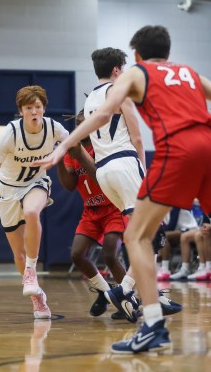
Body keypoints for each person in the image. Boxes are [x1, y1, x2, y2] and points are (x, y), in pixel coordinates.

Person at [37, 25, 211, 352]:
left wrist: (64, 146)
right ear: (167, 52)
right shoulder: (190, 74)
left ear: (138, 55)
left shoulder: (136, 74)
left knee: (137, 236)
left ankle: (153, 324)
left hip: (179, 151)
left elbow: (102, 116)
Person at [83, 47, 180, 321]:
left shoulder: (90, 98)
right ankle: (126, 290)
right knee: (151, 234)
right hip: (124, 164)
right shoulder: (120, 92)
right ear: (116, 70)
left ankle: (146, 294)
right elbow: (137, 137)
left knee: (144, 233)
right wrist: (143, 169)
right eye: (123, 68)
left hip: (103, 171)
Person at [0, 85, 68, 319]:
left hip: (36, 184)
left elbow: (73, 143)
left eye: (38, 107)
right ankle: (38, 299)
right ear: (21, 111)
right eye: (29, 108)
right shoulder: (10, 134)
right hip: (7, 190)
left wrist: (58, 154)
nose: (34, 111)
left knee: (32, 213)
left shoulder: (54, 128)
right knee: (18, 253)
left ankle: (31, 271)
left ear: (44, 108)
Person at [56, 111, 127, 317]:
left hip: (113, 206)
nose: (81, 128)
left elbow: (100, 177)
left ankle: (127, 298)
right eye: (78, 124)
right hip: (91, 210)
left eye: (85, 124)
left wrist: (80, 155)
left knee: (109, 254)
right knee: (77, 255)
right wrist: (60, 159)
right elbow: (69, 185)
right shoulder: (72, 150)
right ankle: (105, 292)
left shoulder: (103, 145)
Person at [158, 207, 199, 280]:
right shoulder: (161, 208)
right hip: (177, 231)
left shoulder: (176, 207)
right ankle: (159, 266)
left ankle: (165, 269)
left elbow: (171, 226)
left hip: (189, 229)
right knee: (157, 236)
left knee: (162, 235)